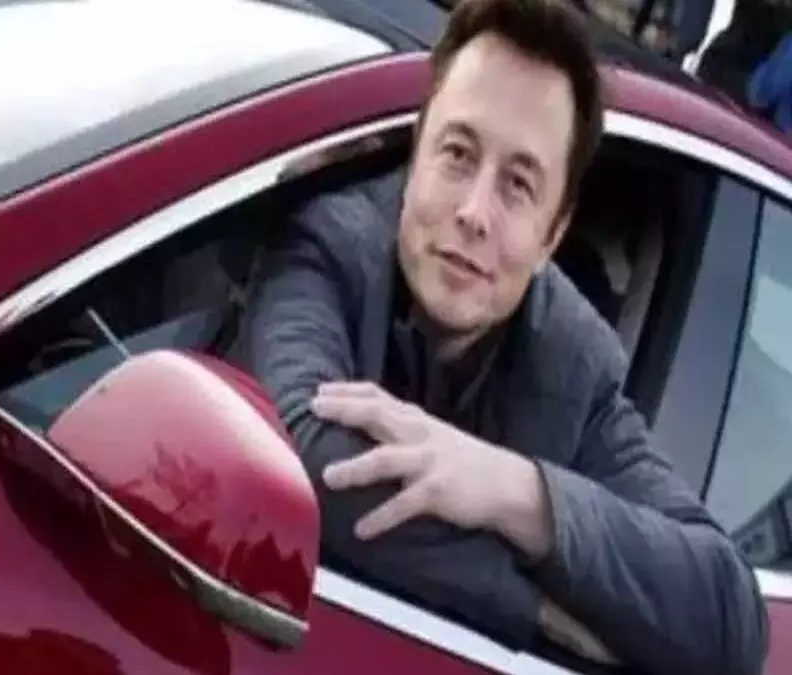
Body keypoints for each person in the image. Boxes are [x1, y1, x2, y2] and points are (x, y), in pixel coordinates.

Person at [239, 0, 769, 673]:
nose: (474, 213)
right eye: (458, 155)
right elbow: (301, 460)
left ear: (553, 233)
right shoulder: (329, 245)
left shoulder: (575, 365)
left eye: (518, 185)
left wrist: (517, 491)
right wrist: (537, 611)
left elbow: (731, 617)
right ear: (417, 152)